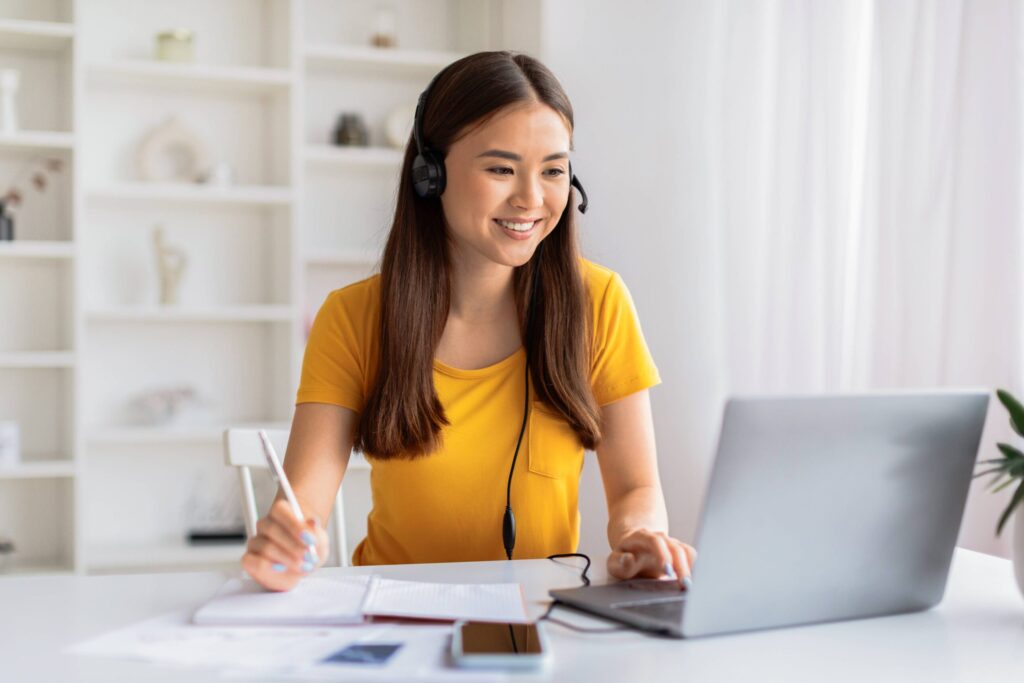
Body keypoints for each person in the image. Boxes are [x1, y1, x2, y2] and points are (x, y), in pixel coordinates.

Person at [241, 51, 696, 592]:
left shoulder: (599, 302)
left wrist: (641, 538)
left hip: (539, 614)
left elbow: (635, 490)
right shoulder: (353, 317)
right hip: (392, 611)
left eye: (553, 170)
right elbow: (305, 504)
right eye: (501, 169)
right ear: (430, 175)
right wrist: (289, 543)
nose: (531, 198)